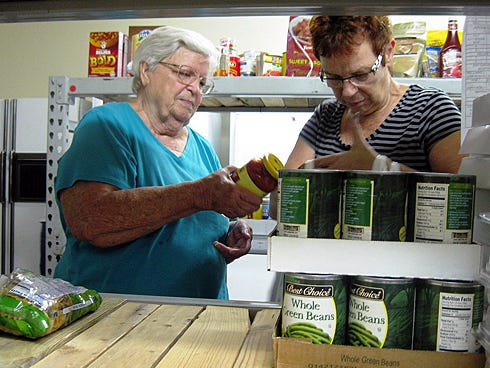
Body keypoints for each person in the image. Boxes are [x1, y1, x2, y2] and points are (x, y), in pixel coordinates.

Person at [53, 26, 262, 299]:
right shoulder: (107, 125)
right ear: (145, 71)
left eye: (202, 83)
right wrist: (200, 194)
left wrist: (232, 231)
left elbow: (204, 224)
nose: (195, 90)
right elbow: (91, 220)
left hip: (198, 319)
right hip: (118, 323)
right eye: (185, 74)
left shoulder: (203, 147)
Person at [285, 16, 465, 173]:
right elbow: (286, 194)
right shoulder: (325, 116)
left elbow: (463, 200)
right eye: (334, 78)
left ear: (388, 52)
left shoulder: (432, 110)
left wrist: (380, 167)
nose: (347, 92)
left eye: (361, 75)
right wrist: (262, 186)